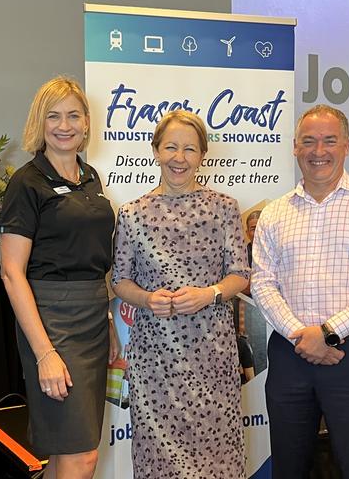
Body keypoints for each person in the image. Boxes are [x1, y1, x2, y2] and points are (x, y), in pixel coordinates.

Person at [251, 104, 349, 478]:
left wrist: (327, 332)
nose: (319, 151)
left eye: (329, 141)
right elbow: (262, 281)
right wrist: (301, 336)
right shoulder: (274, 213)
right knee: (289, 468)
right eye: (309, 141)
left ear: (347, 146)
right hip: (290, 356)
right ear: (295, 147)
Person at [112, 110, 250, 478]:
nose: (179, 158)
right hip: (155, 356)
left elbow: (240, 274)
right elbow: (120, 281)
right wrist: (146, 299)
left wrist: (211, 294)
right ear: (155, 151)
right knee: (158, 458)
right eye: (171, 147)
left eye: (190, 149)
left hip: (211, 354)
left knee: (216, 454)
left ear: (202, 154)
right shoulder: (132, 214)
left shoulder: (224, 208)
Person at [0, 77, 117, 479]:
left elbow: (96, 261)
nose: (64, 125)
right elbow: (12, 274)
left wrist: (109, 322)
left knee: (73, 454)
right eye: (53, 116)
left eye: (73, 115)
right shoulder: (27, 182)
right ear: (40, 122)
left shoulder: (91, 178)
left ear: (86, 123)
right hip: (52, 322)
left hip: (93, 320)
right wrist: (44, 352)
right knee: (80, 455)